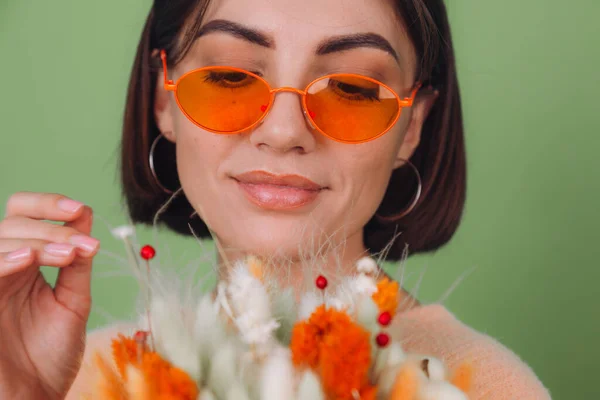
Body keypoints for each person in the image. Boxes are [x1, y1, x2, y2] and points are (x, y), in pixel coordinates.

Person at [0, 0, 551, 398]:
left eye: (354, 88)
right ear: (163, 100)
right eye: (229, 75)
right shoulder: (82, 375)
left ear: (412, 126)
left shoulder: (482, 385)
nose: (285, 131)